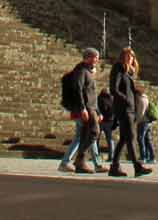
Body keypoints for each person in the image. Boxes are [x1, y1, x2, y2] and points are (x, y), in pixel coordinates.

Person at [106, 48, 151, 177]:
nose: (129, 58)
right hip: (124, 108)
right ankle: (137, 167)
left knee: (124, 138)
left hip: (130, 108)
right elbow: (113, 89)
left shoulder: (128, 72)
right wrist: (126, 100)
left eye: (131, 56)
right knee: (130, 136)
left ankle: (114, 167)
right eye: (126, 56)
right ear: (122, 57)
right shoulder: (118, 68)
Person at [58, 47, 101, 173]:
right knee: (92, 133)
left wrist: (98, 111)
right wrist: (82, 108)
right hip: (85, 108)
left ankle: (90, 163)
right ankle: (77, 161)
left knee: (86, 135)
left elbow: (92, 93)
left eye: (97, 58)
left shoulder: (87, 71)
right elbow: (79, 90)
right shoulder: (81, 71)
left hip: (90, 108)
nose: (96, 60)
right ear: (87, 58)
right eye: (94, 57)